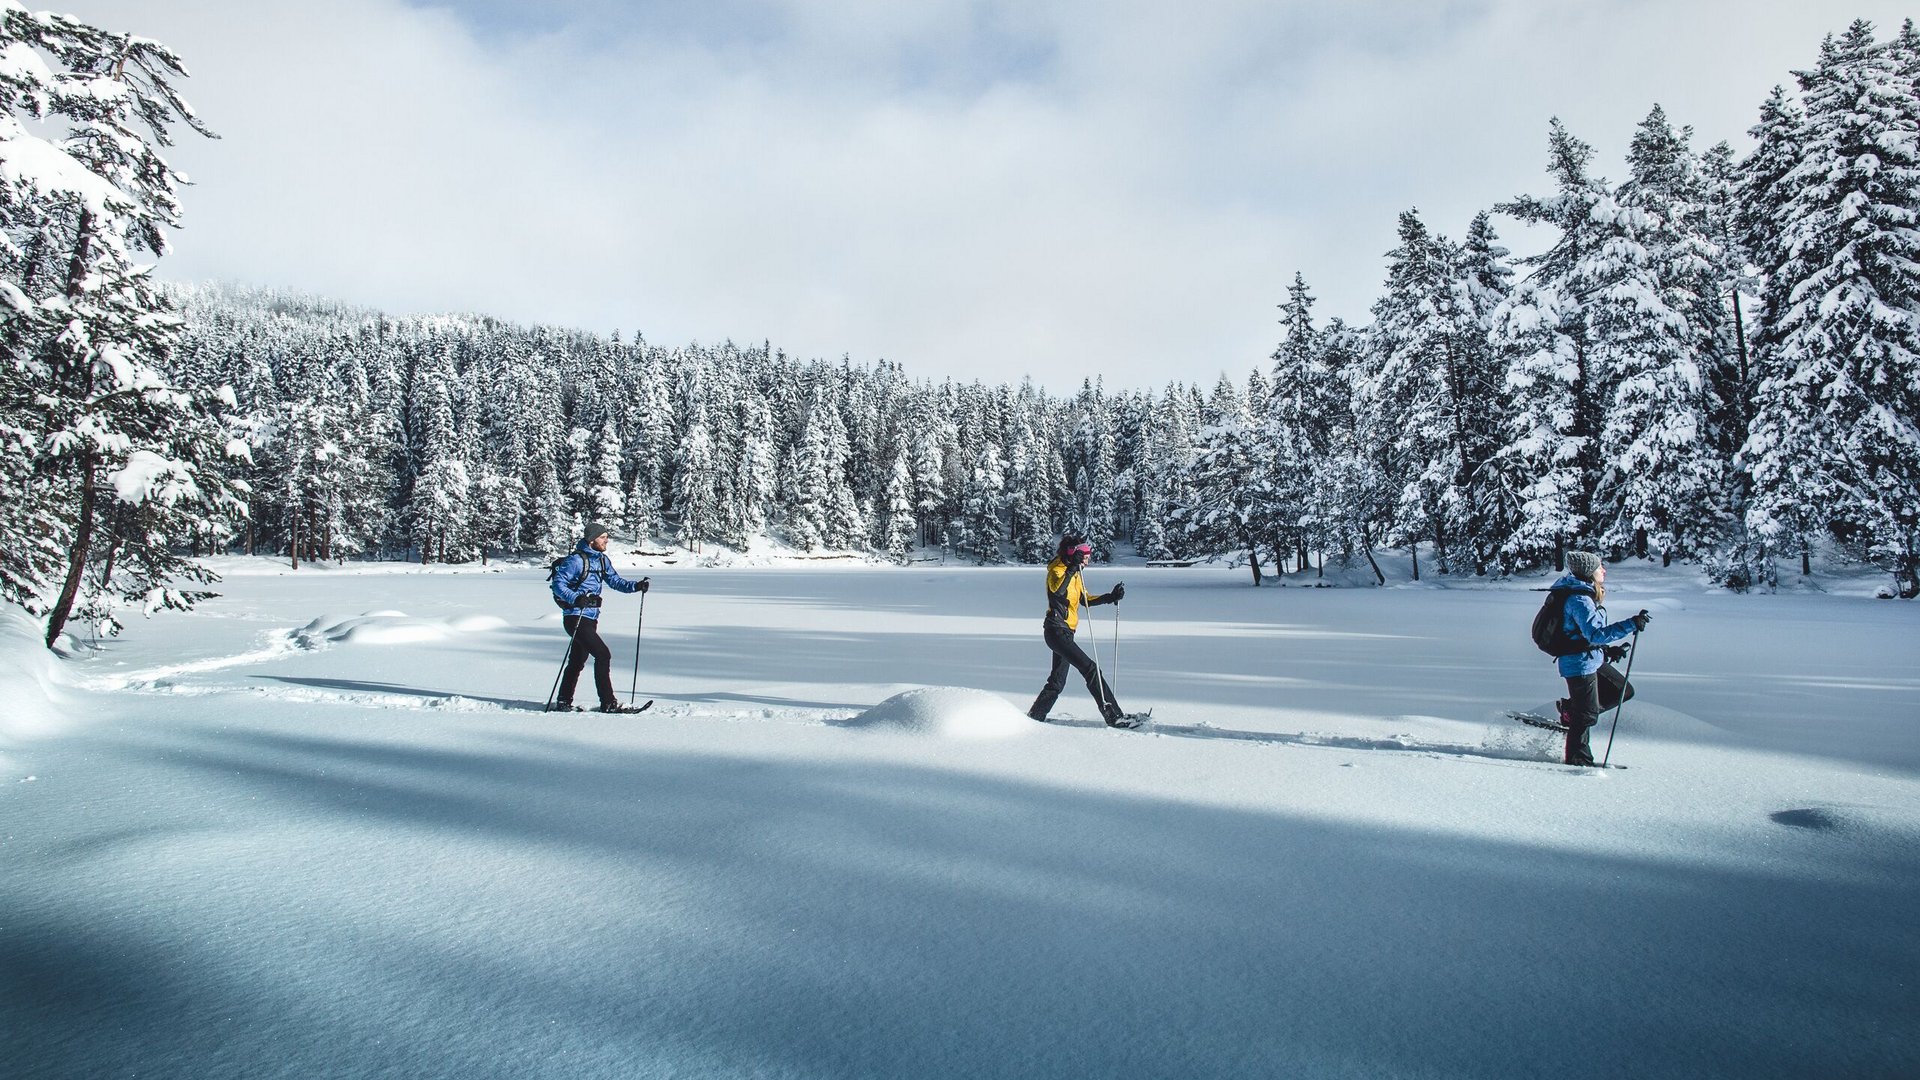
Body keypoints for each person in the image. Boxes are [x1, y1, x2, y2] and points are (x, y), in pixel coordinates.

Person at [1027, 535, 1139, 727]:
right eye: (1085, 556)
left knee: (1057, 682)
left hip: (1065, 633)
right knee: (1091, 669)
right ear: (1074, 554)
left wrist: (1110, 597)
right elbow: (1057, 592)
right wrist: (1071, 569)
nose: (1088, 560)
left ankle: (1035, 716)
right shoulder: (1057, 570)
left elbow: (1084, 599)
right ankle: (1114, 716)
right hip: (1056, 631)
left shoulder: (1076, 573)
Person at [1550, 551, 1650, 766]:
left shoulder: (1583, 594)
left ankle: (1572, 711)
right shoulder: (1579, 599)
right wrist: (1631, 624)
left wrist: (1606, 651)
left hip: (1590, 658)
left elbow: (1583, 635)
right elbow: (1594, 634)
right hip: (1579, 664)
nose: (1603, 570)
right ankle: (1579, 761)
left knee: (1623, 690)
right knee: (1585, 717)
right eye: (1599, 567)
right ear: (1588, 572)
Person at [549, 521, 651, 713]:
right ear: (591, 540)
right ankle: (608, 703)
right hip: (575, 617)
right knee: (603, 654)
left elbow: (615, 581)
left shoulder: (602, 560)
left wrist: (636, 586)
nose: (606, 541)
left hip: (590, 618)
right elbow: (558, 585)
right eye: (603, 538)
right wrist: (575, 598)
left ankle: (563, 701)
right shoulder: (576, 561)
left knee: (577, 660)